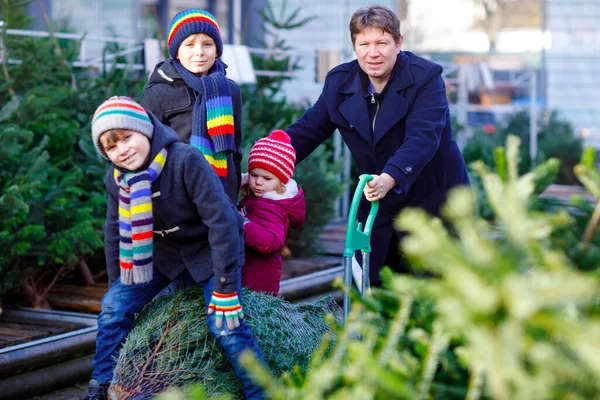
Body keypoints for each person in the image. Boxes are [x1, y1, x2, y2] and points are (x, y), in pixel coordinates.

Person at [85, 96, 265, 400]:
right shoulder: (117, 180)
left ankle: (261, 392)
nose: (123, 149)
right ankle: (101, 385)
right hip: (159, 256)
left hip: (209, 248)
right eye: (111, 146)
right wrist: (118, 286)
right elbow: (114, 232)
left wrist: (224, 287)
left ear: (146, 130)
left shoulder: (184, 160)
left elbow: (221, 223)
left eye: (127, 137)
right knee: (113, 309)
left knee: (225, 323)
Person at [285, 5, 470, 287]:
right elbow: (307, 131)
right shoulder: (339, 83)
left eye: (382, 43)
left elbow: (423, 137)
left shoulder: (425, 78)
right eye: (365, 44)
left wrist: (390, 176)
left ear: (398, 43)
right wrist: (265, 164)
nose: (373, 53)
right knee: (378, 290)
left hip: (433, 202)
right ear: (355, 47)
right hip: (379, 205)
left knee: (436, 293)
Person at [140, 8, 242, 204]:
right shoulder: (158, 92)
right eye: (189, 45)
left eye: (207, 44)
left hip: (222, 196)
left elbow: (235, 150)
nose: (199, 53)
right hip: (178, 197)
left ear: (217, 49)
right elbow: (146, 151)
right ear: (176, 51)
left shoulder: (230, 90)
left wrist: (233, 195)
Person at [238, 130, 306, 296]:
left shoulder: (273, 207)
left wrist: (243, 225)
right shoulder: (258, 197)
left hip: (257, 283)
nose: (258, 182)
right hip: (248, 274)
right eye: (254, 175)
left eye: (267, 178)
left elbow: (273, 241)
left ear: (281, 182)